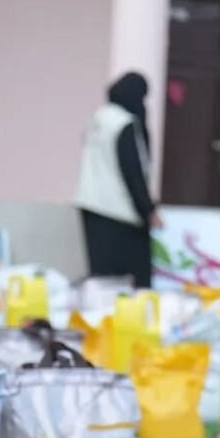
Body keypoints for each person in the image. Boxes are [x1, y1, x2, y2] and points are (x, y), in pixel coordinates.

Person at [75, 72, 162, 288]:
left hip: (90, 205)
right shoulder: (125, 123)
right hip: (120, 213)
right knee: (132, 283)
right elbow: (133, 171)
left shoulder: (96, 118)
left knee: (103, 281)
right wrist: (148, 210)